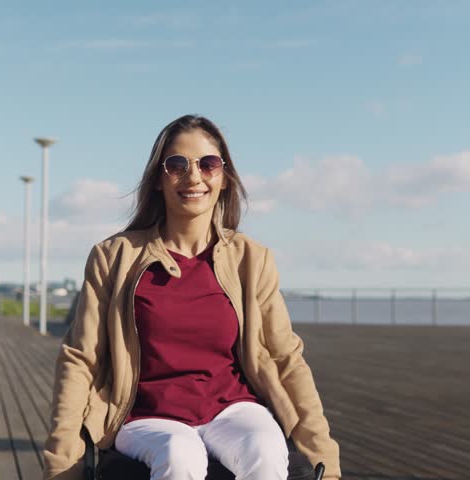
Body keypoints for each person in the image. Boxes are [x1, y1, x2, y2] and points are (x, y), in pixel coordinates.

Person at [42, 114, 341, 480]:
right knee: (180, 454)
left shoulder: (251, 259)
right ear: (157, 179)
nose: (194, 176)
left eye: (208, 163)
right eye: (177, 164)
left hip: (233, 410)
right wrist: (62, 463)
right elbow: (80, 359)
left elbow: (284, 357)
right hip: (147, 417)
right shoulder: (114, 257)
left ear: (225, 177)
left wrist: (326, 459)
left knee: (264, 447)